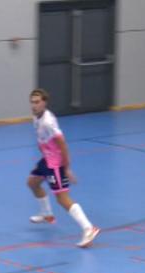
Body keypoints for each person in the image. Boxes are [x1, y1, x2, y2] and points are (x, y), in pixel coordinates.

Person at [26, 88, 101, 248]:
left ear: (45, 102)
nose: (34, 105)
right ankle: (47, 214)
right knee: (32, 182)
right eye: (32, 102)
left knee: (62, 198)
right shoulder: (36, 117)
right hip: (46, 159)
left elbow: (63, 145)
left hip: (55, 164)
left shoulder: (48, 122)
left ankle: (89, 228)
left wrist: (66, 168)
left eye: (37, 102)